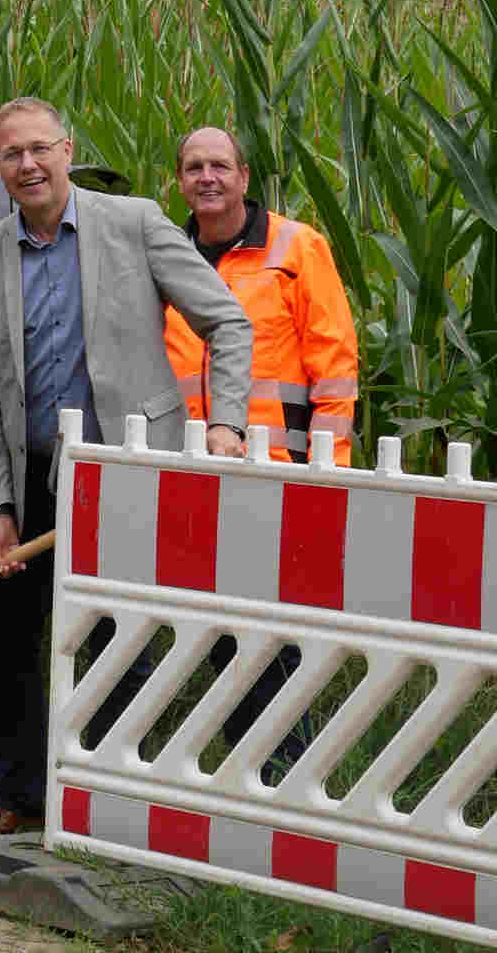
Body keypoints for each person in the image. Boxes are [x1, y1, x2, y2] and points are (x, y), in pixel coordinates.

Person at [0, 97, 253, 834]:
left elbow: (227, 320)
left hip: (128, 470)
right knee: (12, 636)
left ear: (67, 149)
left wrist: (224, 422)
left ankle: (116, 795)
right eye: (10, 155)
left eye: (39, 149)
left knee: (118, 634)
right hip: (32, 473)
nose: (27, 165)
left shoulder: (135, 223)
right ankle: (19, 793)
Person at [165, 125, 358, 781]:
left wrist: (328, 473)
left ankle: (282, 769)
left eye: (220, 165)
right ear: (181, 182)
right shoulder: (170, 254)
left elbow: (334, 365)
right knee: (220, 630)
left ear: (245, 178)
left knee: (271, 633)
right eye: (194, 167)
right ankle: (250, 767)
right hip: (193, 477)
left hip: (279, 476)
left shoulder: (295, 246)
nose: (207, 178)